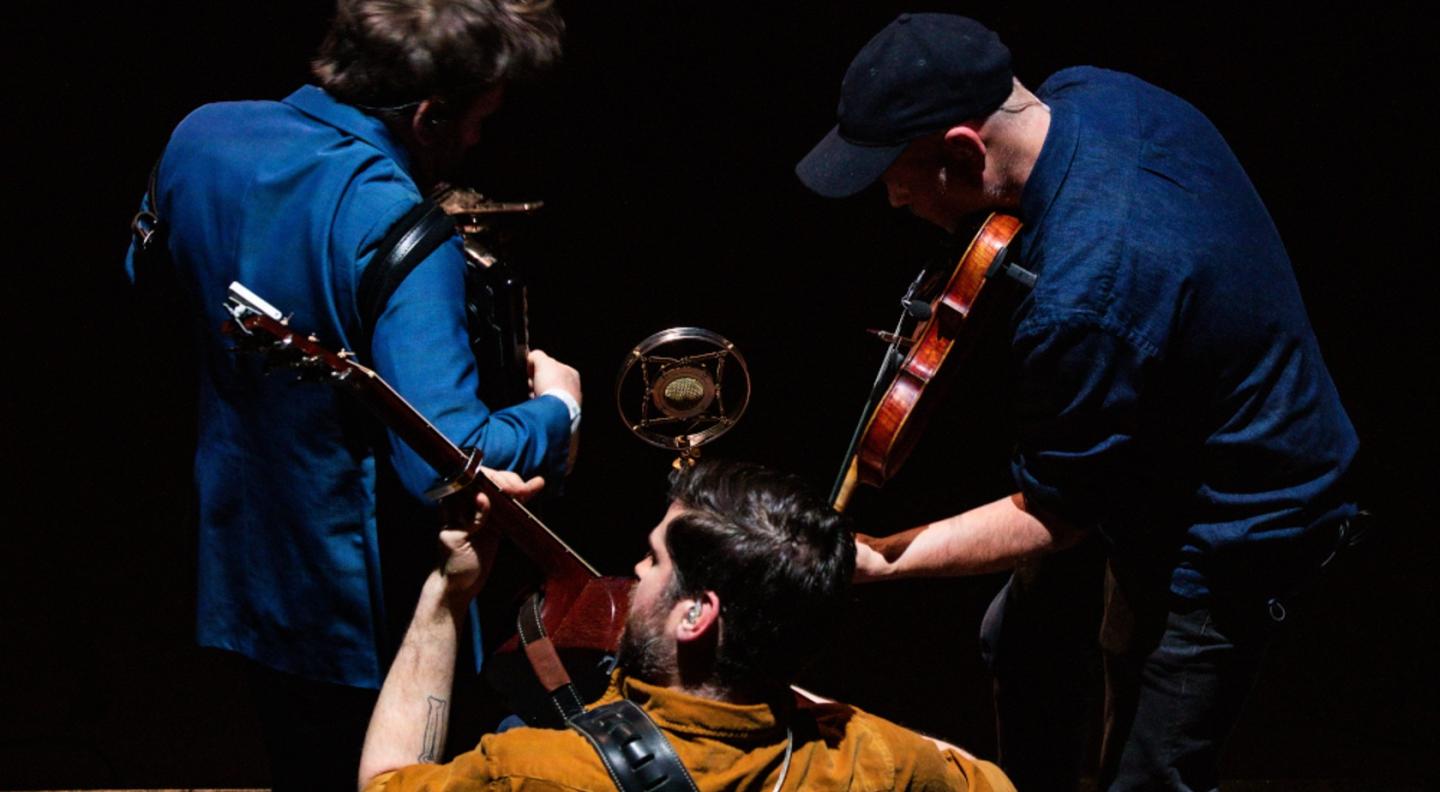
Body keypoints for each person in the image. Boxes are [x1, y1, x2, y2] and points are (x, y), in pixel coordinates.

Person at [795, 13, 1360, 792]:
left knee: (1148, 764)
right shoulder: (1095, 93)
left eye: (896, 170)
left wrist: (878, 561)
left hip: (1239, 510)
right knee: (1019, 639)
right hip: (1156, 417)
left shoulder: (1087, 299)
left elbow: (1052, 514)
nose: (892, 199)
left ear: (963, 149)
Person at [123, 1, 581, 788]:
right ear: (432, 115)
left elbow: (145, 279)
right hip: (365, 607)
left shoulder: (198, 135)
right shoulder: (395, 221)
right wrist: (557, 411)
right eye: (479, 120)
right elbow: (448, 460)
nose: (477, 142)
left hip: (244, 562)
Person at [358, 460, 1015, 791]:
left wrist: (448, 593)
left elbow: (385, 782)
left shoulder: (539, 774)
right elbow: (987, 780)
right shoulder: (873, 764)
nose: (635, 573)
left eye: (652, 559)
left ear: (697, 615)